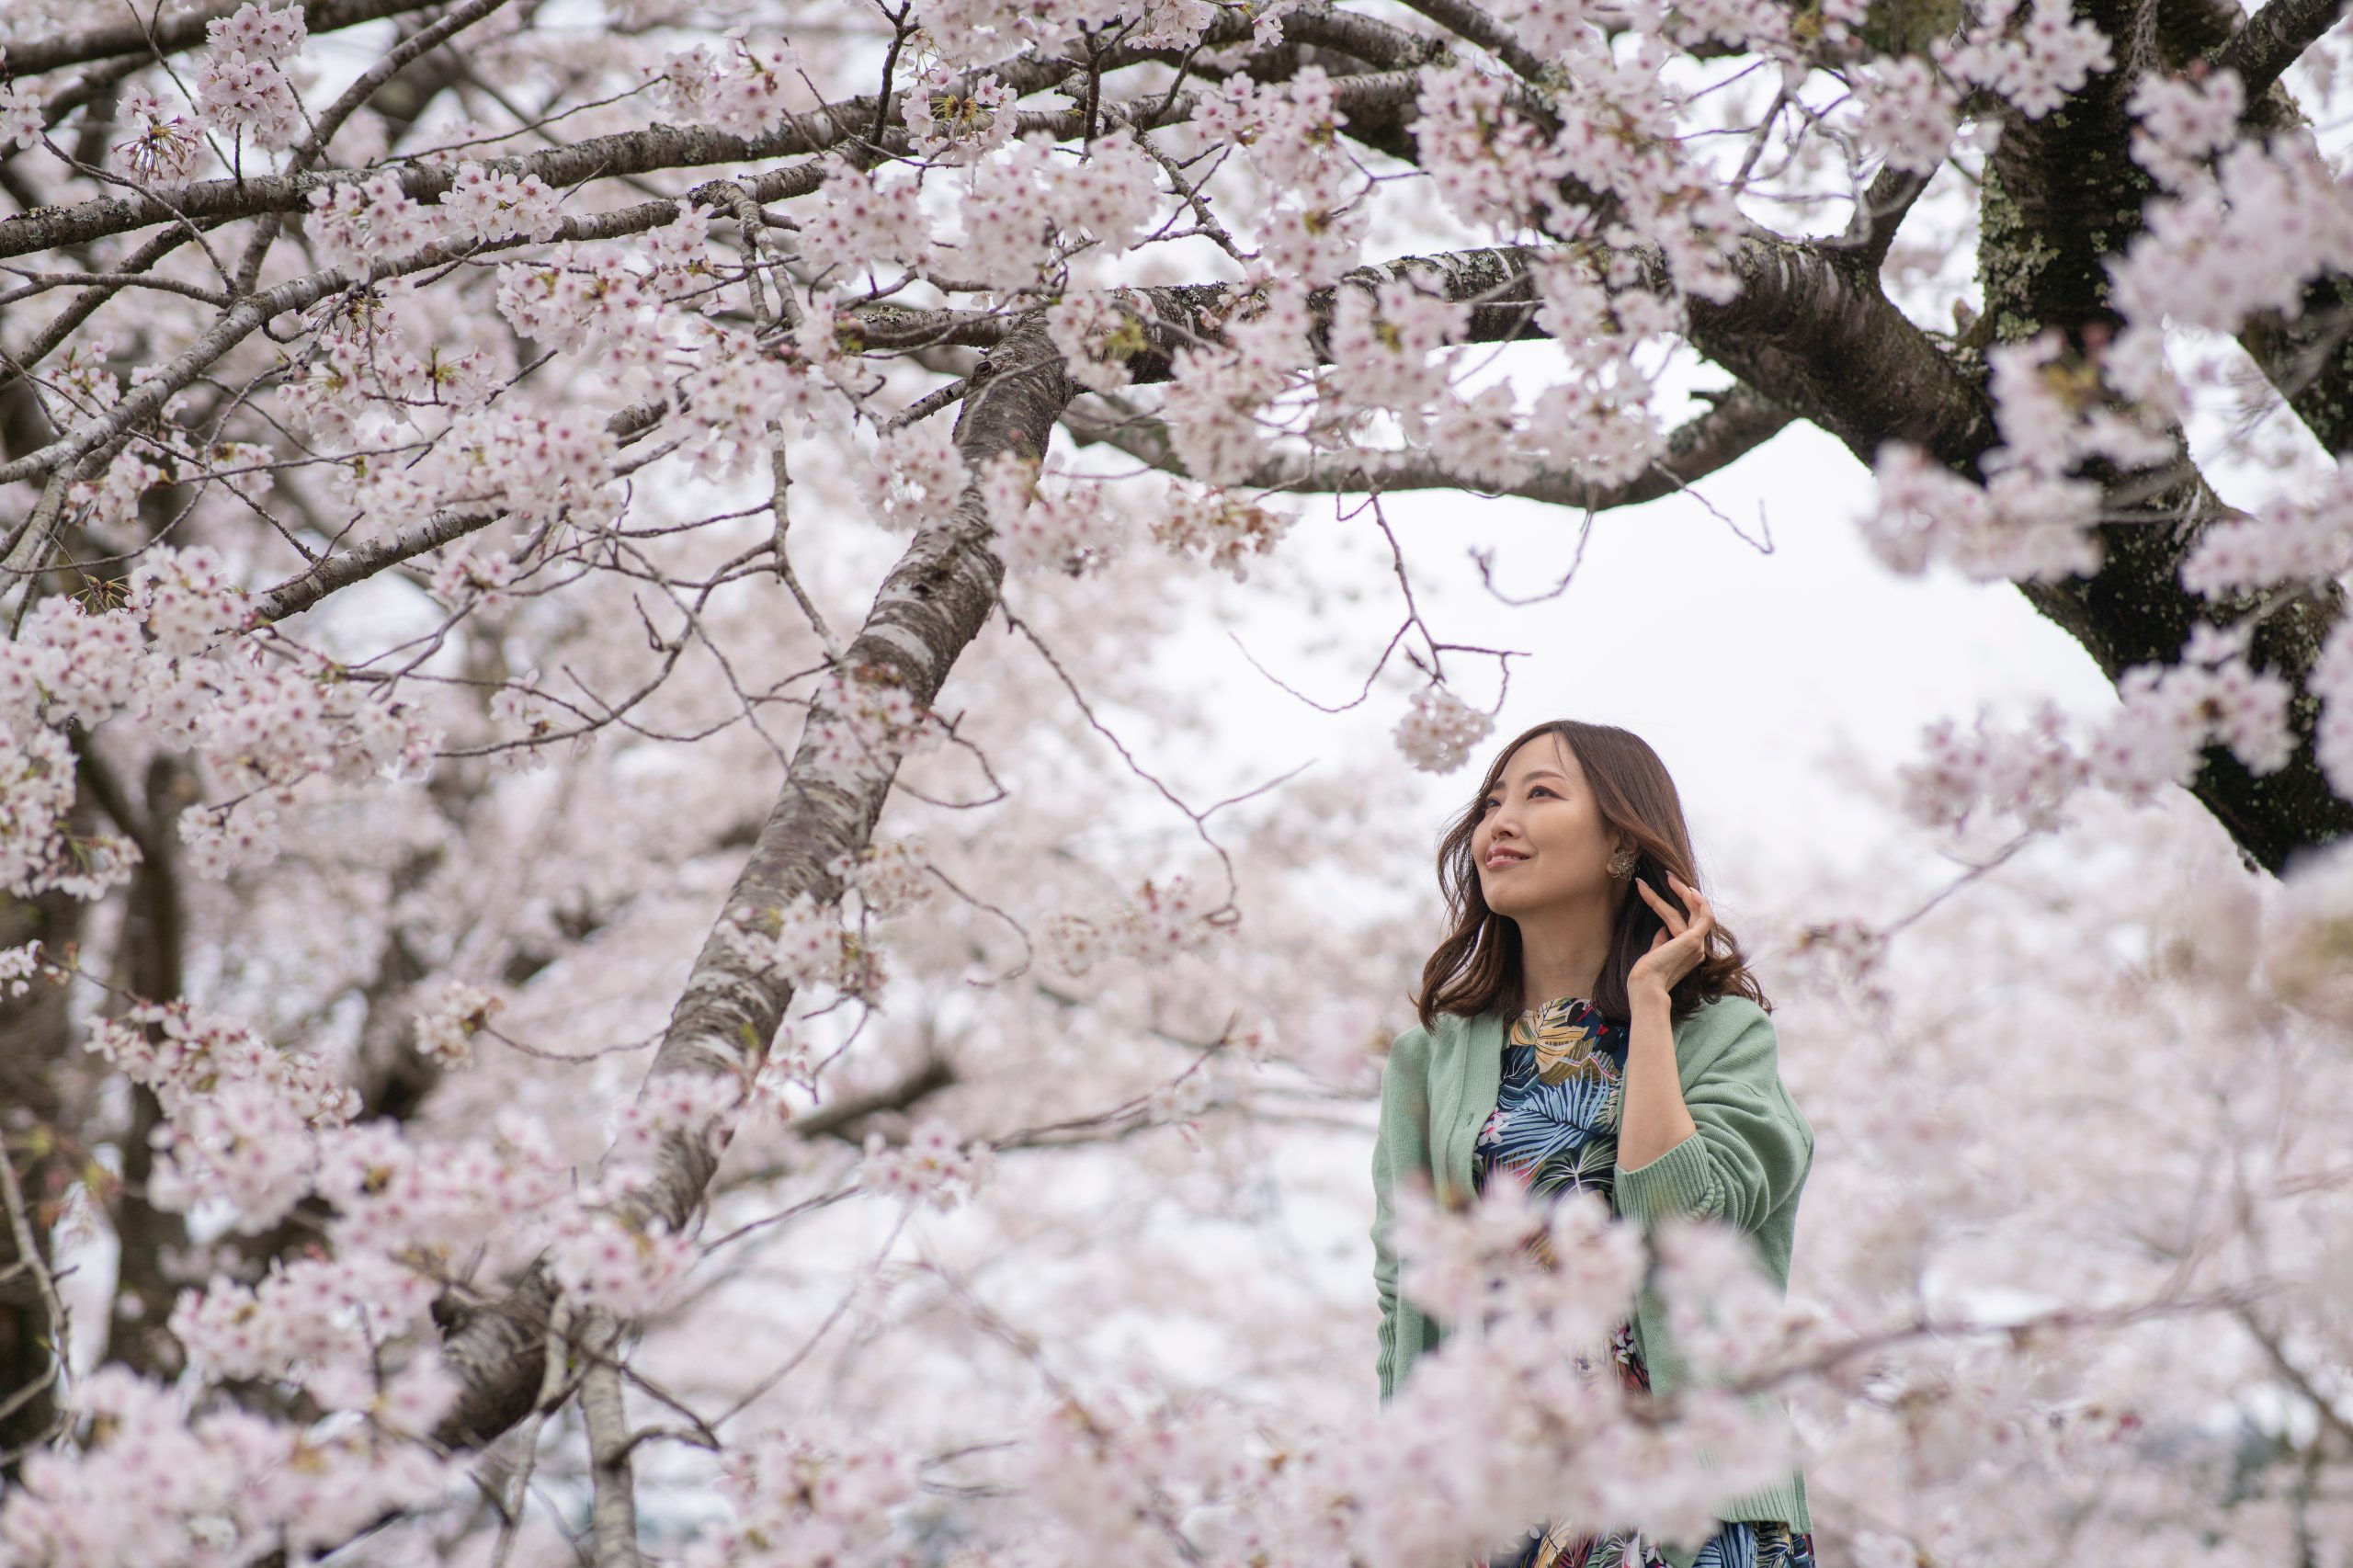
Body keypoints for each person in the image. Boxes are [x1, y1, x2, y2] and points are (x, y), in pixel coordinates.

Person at [1370, 720, 1818, 1568]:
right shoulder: (1427, 1062)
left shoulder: (1721, 1036)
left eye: (1540, 794)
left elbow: (1683, 1222)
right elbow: (1406, 1292)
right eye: (1491, 801)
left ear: (1621, 843)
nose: (1498, 821)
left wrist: (1651, 1008)